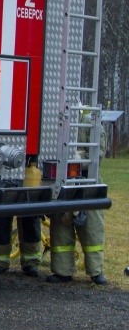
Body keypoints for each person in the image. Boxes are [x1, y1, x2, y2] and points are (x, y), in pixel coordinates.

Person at [47, 112, 108, 285]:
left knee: (93, 229)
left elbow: (98, 153)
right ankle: (62, 271)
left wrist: (76, 158)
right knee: (61, 228)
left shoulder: (90, 123)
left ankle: (96, 272)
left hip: (88, 182)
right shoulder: (56, 121)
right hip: (62, 181)